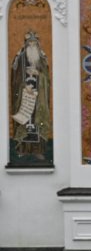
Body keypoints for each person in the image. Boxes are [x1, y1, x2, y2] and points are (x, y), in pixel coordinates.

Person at [10, 30, 52, 161]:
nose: (32, 45)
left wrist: (39, 75)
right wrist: (24, 86)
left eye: (35, 43)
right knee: (25, 120)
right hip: (24, 96)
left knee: (37, 121)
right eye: (30, 43)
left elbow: (46, 78)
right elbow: (15, 78)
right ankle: (22, 149)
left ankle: (38, 150)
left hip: (38, 97)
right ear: (26, 44)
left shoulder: (41, 59)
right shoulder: (20, 58)